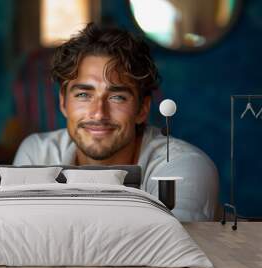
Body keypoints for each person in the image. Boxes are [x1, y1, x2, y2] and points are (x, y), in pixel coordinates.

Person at [13, 23, 219, 221]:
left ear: (142, 109)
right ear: (63, 103)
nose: (98, 113)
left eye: (117, 97)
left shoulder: (182, 167)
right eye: (84, 94)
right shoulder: (38, 154)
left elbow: (171, 245)